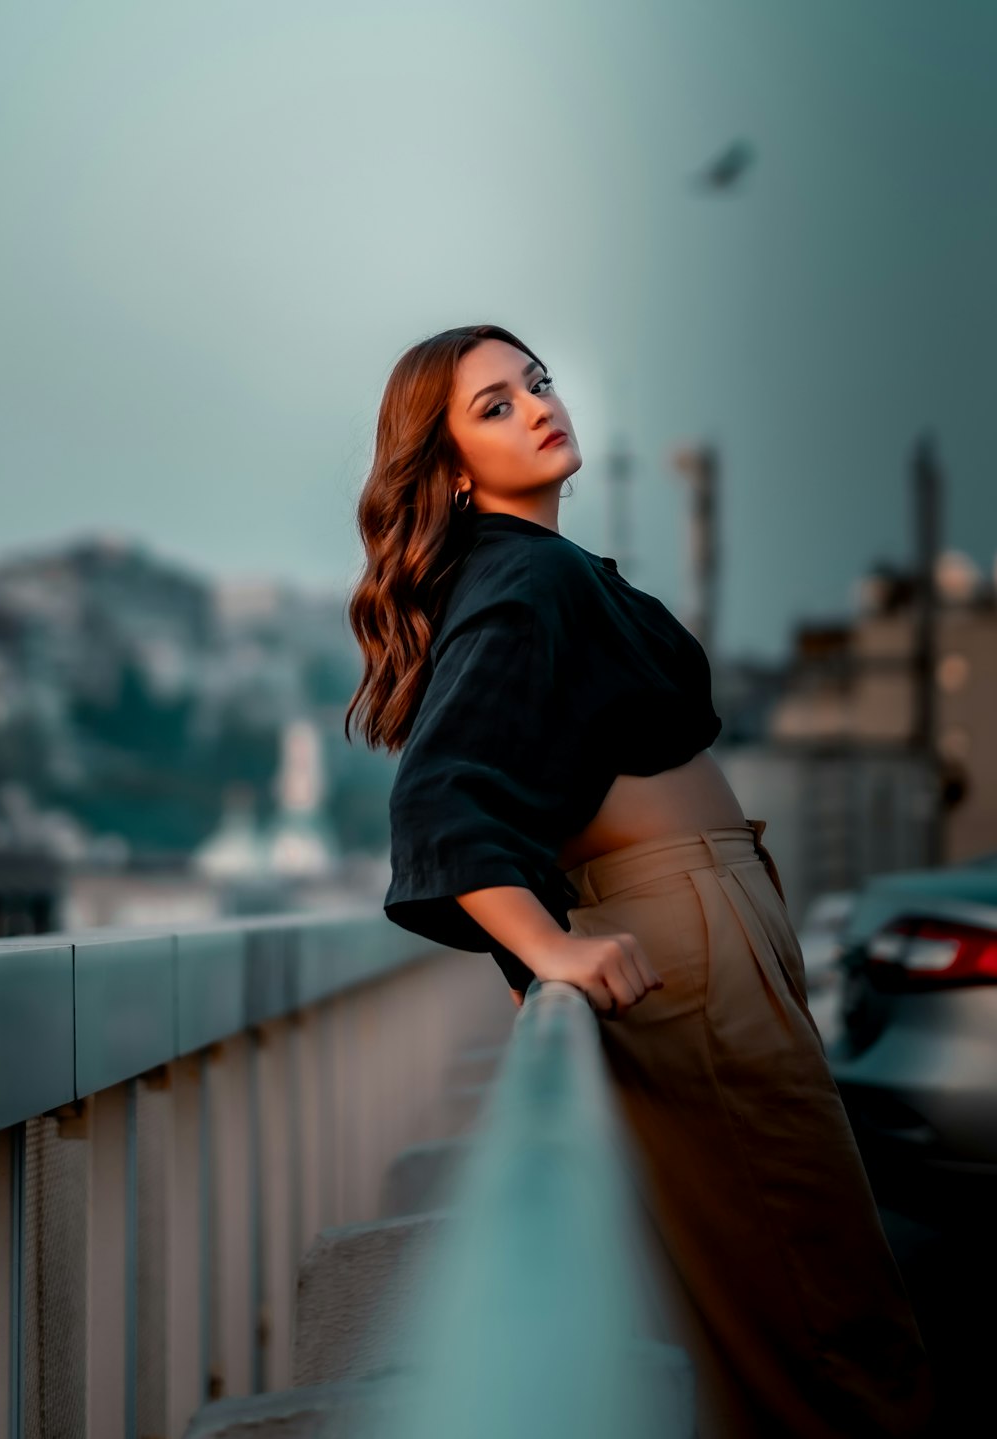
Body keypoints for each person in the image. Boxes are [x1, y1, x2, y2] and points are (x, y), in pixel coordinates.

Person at [344, 323, 937, 1437]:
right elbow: (442, 799)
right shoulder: (521, 579)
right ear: (452, 466)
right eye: (493, 407)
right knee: (828, 1313)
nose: (534, 406)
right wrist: (548, 945)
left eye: (535, 383)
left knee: (783, 1304)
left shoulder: (535, 570)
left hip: (712, 925)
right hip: (686, 938)